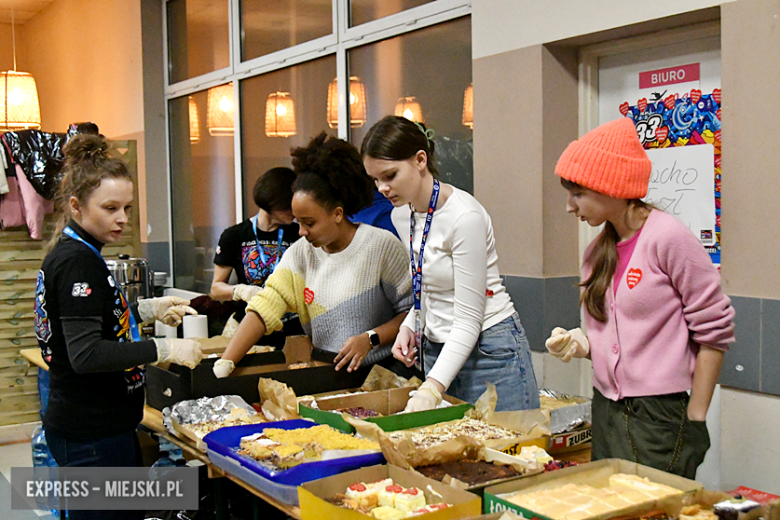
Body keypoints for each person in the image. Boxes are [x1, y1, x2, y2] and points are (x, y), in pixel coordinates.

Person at [546, 117, 735, 478]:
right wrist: (581, 343)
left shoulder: (668, 238)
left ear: (611, 187)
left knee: (656, 511)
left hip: (660, 414)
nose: (571, 207)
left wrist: (695, 415)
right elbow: (623, 336)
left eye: (578, 193)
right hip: (607, 410)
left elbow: (714, 331)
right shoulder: (597, 253)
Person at [34, 134, 203, 520]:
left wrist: (144, 310)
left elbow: (85, 319)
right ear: (76, 206)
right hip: (91, 432)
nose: (122, 218)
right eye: (110, 208)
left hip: (94, 424)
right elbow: (87, 353)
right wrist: (163, 350)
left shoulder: (78, 251)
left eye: (126, 207)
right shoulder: (80, 262)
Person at [361, 115, 540, 412]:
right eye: (375, 180)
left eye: (390, 175)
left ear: (420, 160)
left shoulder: (463, 216)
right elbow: (429, 285)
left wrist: (432, 386)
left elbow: (470, 317)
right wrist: (410, 324)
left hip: (488, 350)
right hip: (438, 349)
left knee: (502, 453)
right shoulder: (401, 215)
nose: (382, 188)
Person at [213, 133, 413, 378]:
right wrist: (226, 363)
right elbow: (265, 306)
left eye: (310, 223)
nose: (301, 232)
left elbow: (412, 312)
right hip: (328, 374)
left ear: (337, 214)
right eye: (298, 222)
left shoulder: (381, 247)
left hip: (382, 374)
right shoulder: (301, 254)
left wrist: (370, 339)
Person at [211, 166, 302, 344]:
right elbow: (216, 289)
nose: (294, 212)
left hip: (291, 327)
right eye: (287, 206)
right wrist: (241, 290)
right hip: (249, 324)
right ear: (272, 202)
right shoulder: (235, 235)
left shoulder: (300, 234)